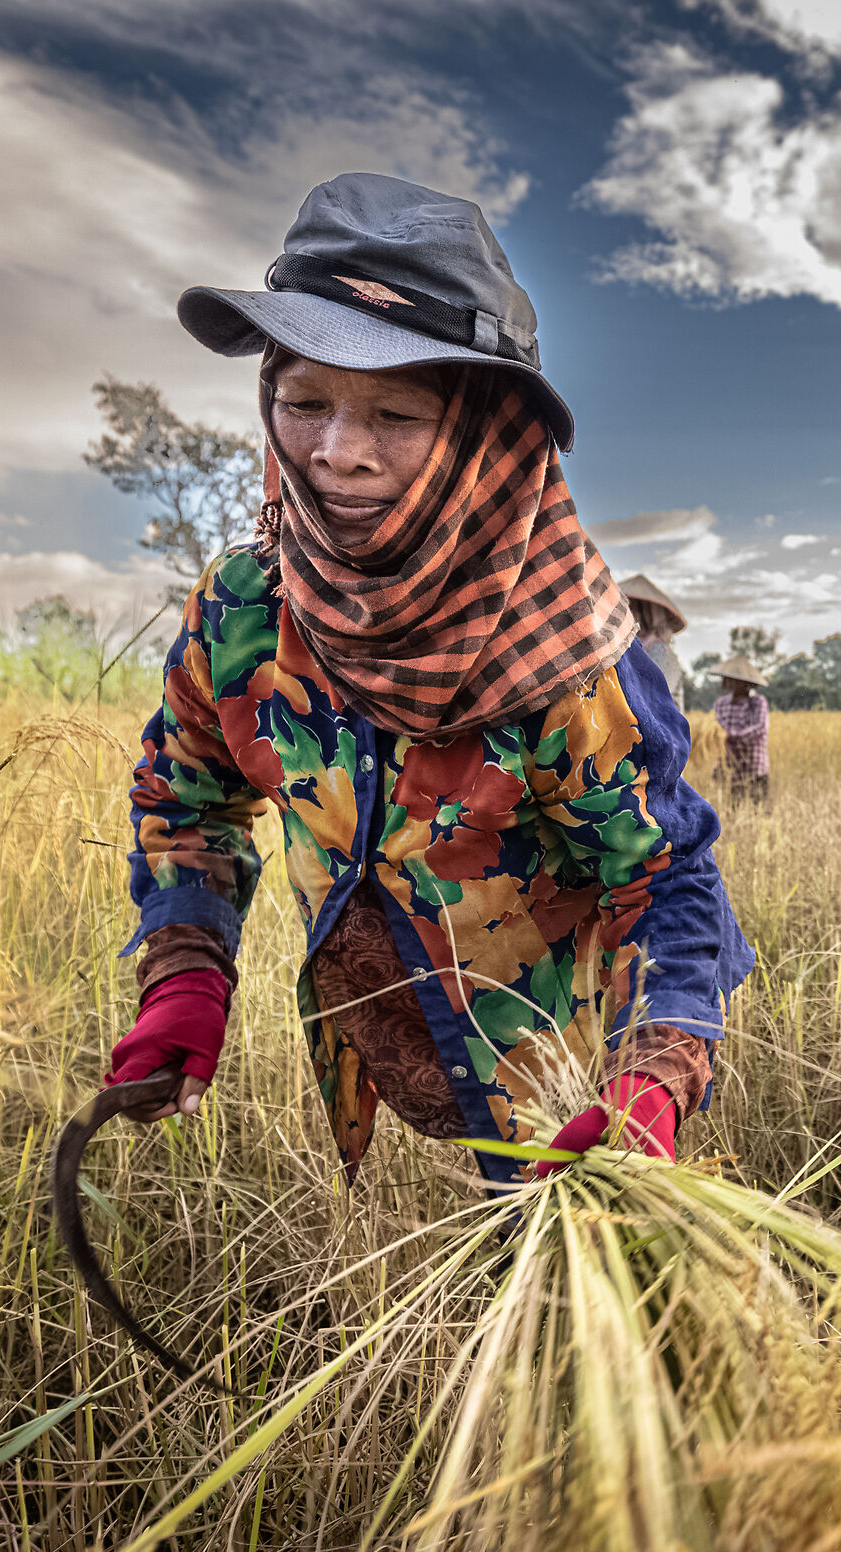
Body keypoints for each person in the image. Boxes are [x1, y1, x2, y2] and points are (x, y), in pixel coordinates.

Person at [104, 173, 752, 1189]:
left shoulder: (572, 659)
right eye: (305, 400)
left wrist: (655, 1075)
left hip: (564, 1060)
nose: (338, 453)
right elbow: (187, 792)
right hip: (400, 1024)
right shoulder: (242, 610)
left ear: (480, 434)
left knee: (568, 1296)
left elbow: (661, 875)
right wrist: (185, 966)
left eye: (395, 413)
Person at [619, 572, 690, 711]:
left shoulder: (660, 651)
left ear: (648, 614)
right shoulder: (629, 649)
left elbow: (651, 696)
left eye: (631, 607)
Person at [712, 656, 771, 805]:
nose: (729, 682)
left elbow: (760, 728)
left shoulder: (757, 702)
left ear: (746, 683)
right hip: (731, 766)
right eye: (728, 679)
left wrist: (731, 735)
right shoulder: (721, 703)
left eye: (734, 679)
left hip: (754, 764)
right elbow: (716, 729)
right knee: (733, 807)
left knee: (759, 808)